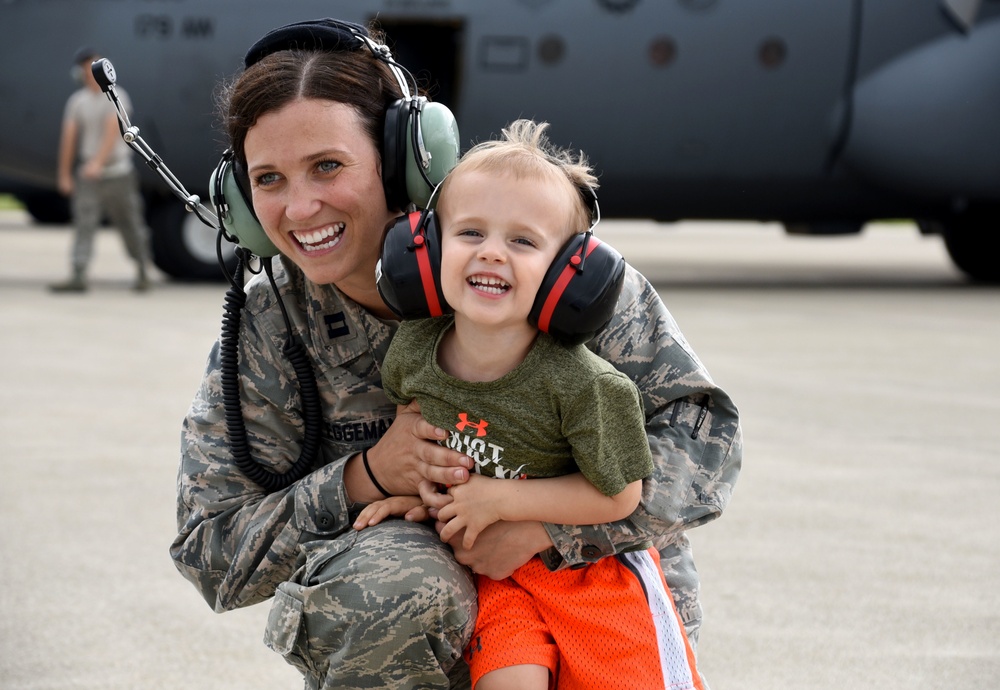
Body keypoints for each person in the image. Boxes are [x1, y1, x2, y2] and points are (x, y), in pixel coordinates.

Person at [170, 17, 742, 690]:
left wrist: (543, 528)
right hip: (412, 629)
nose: (301, 207)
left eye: (328, 166)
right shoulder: (272, 328)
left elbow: (706, 444)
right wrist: (367, 477)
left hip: (589, 599)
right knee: (399, 583)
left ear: (400, 161)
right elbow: (213, 550)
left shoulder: (549, 272)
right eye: (268, 179)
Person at [355, 118, 703, 690]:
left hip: (592, 575)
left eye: (522, 241)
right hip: (495, 580)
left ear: (571, 274)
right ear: (429, 249)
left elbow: (619, 495)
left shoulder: (587, 385)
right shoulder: (413, 351)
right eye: (470, 233)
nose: (492, 254)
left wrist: (503, 500)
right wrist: (413, 496)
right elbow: (419, 437)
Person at [50, 47, 151, 293]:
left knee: (130, 224)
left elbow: (112, 131)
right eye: (87, 68)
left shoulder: (117, 96)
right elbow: (69, 138)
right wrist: (64, 174)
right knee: (84, 224)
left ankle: (142, 271)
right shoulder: (77, 102)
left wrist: (98, 162)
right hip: (89, 177)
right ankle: (78, 274)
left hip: (118, 173)